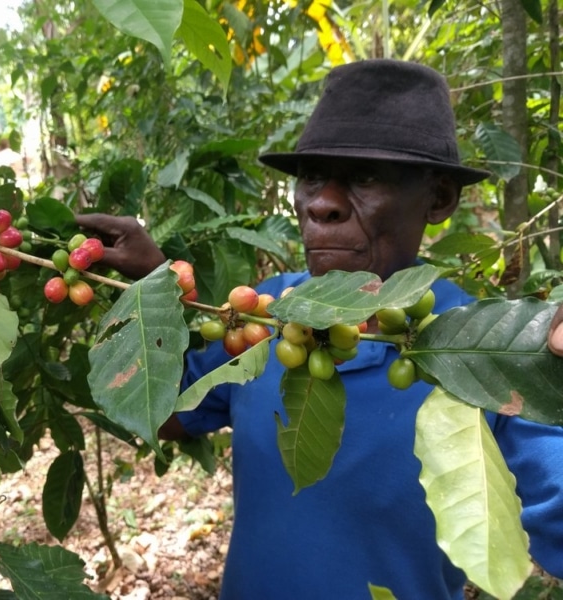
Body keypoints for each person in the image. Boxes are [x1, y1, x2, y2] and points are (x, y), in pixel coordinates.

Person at [76, 59, 563, 599]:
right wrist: (152, 294)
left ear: (439, 198)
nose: (322, 204)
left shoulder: (491, 355)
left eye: (364, 177)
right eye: (312, 177)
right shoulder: (267, 315)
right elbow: (161, 416)